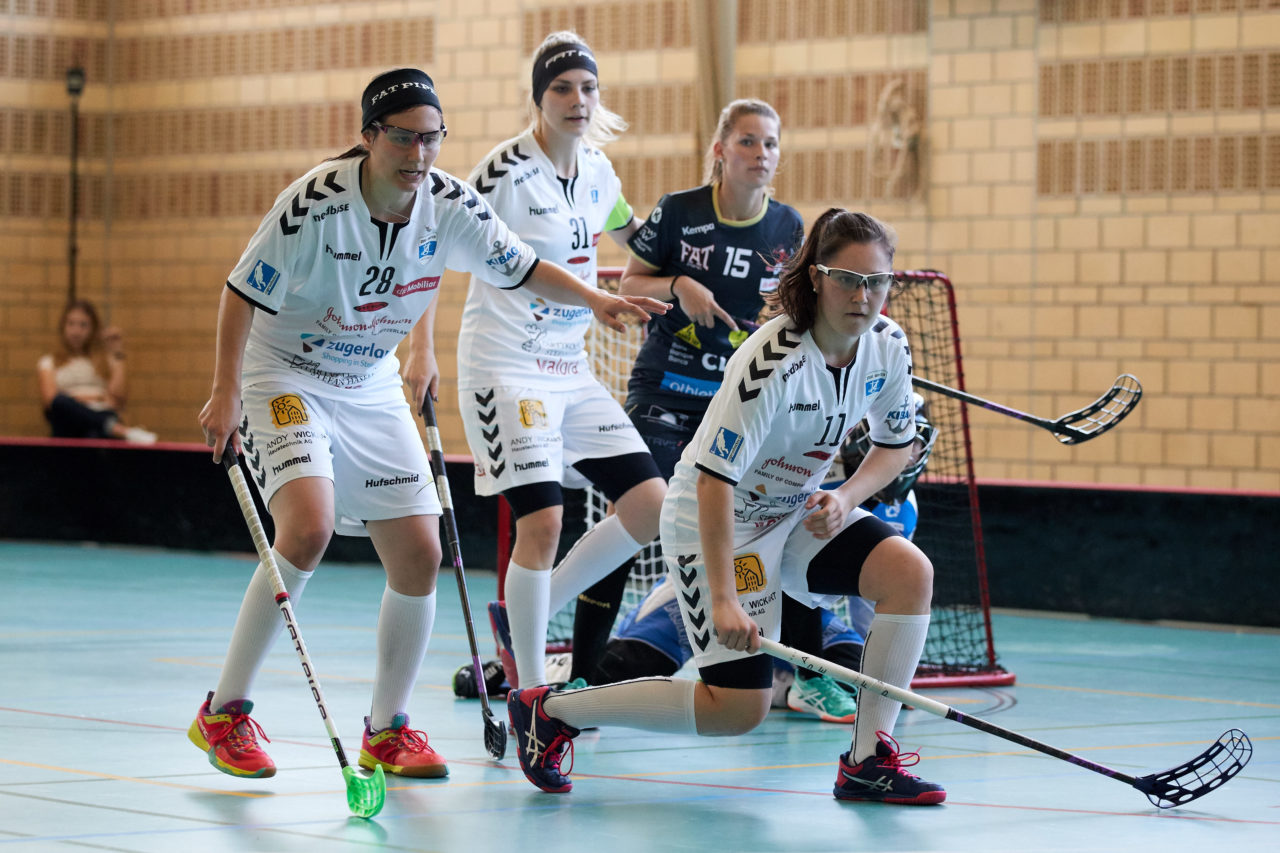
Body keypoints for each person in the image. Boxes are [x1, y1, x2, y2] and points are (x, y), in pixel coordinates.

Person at [191, 67, 662, 782]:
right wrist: (225, 390)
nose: (419, 154)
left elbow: (522, 265)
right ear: (369, 136)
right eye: (404, 138)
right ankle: (224, 711)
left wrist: (593, 300)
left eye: (432, 139)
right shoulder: (314, 204)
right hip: (285, 371)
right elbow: (240, 290)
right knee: (309, 528)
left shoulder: (448, 203)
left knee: (419, 549)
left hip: (370, 379)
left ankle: (387, 728)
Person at [507, 209, 947, 806]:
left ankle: (869, 760)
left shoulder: (887, 349)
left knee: (909, 574)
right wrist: (723, 598)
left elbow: (898, 446)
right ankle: (550, 712)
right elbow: (714, 481)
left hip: (794, 512)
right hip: (716, 522)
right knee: (737, 710)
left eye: (876, 281)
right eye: (847, 278)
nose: (862, 296)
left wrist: (844, 498)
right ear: (816, 278)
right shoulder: (773, 360)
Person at [567, 97, 804, 685]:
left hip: (740, 400)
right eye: (748, 141)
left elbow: (792, 311)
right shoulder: (679, 211)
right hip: (666, 387)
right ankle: (581, 671)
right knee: (638, 516)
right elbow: (629, 281)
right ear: (720, 151)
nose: (761, 153)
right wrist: (679, 284)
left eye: (770, 143)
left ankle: (786, 664)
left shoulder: (787, 228)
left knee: (774, 517)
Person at [457, 32, 667, 692]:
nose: (578, 100)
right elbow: (434, 240)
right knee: (543, 521)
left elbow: (643, 240)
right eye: (562, 88)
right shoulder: (504, 172)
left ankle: (531, 608)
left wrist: (698, 264)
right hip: (507, 367)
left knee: (650, 506)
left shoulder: (600, 171)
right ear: (538, 98)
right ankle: (530, 696)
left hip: (568, 369)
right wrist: (414, 353)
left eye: (587, 87)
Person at [583, 405, 938, 725]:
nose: (908, 454)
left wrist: (887, 670)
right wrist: (722, 600)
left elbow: (869, 604)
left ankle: (786, 682)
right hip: (718, 583)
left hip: (798, 614)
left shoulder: (905, 510)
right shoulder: (811, 473)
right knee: (622, 669)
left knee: (855, 670)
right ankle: (578, 671)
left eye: (915, 444)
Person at [36, 299, 156, 443]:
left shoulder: (106, 360)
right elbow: (51, 401)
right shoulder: (49, 362)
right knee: (61, 403)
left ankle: (108, 427)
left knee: (92, 435)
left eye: (83, 325)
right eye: (71, 324)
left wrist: (117, 353)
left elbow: (119, 399)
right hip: (67, 421)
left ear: (93, 328)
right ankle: (120, 430)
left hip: (101, 417)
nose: (76, 331)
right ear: (63, 326)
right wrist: (98, 397)